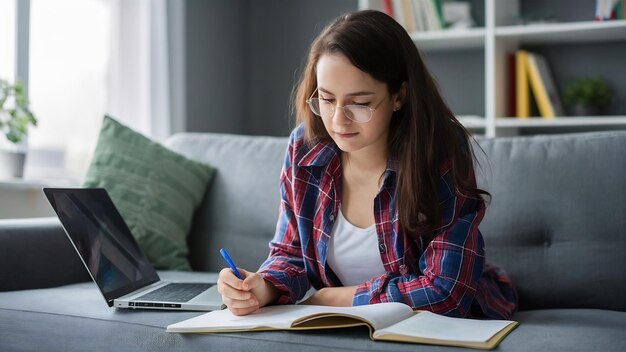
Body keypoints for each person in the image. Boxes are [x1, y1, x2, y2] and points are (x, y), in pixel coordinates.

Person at [217, 10, 518, 319]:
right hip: (345, 327)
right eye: (326, 99)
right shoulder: (303, 149)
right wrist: (261, 288)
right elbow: (290, 254)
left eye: (359, 103)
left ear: (398, 95)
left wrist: (333, 299)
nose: (338, 120)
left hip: (432, 327)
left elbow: (444, 293)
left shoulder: (440, 151)